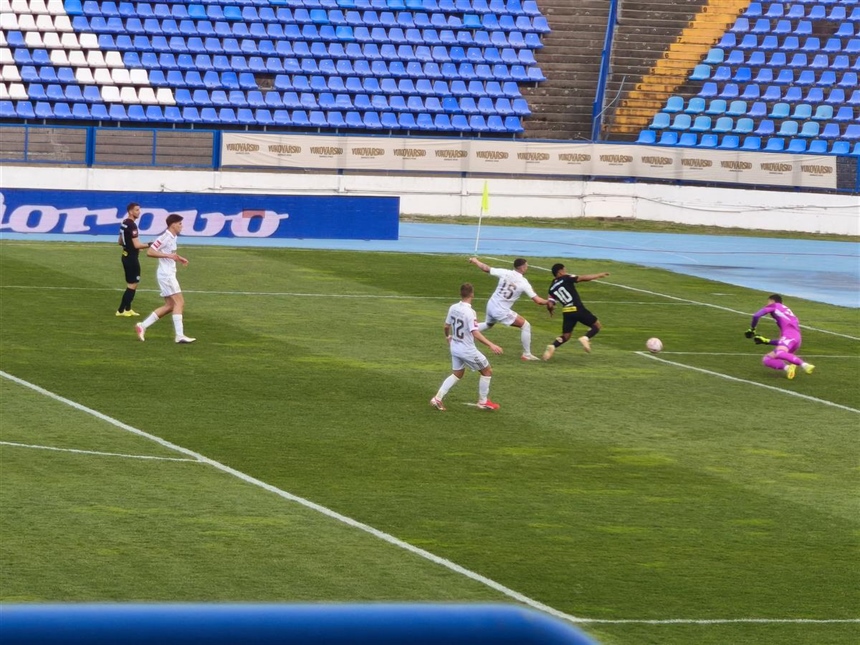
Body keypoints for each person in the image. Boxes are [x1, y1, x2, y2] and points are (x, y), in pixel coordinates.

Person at [430, 282, 504, 411]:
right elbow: (474, 332)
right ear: (472, 294)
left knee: (457, 373)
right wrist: (491, 345)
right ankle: (483, 401)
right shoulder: (470, 312)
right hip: (467, 350)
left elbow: (446, 326)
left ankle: (437, 398)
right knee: (487, 371)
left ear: (461, 294)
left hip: (455, 347)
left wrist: (448, 337)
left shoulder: (453, 307)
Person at [467, 256, 550, 361]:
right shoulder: (523, 283)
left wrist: (475, 261)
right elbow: (538, 300)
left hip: (491, 305)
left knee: (489, 324)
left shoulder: (505, 272)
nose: (527, 268)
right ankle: (526, 354)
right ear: (522, 267)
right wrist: (549, 302)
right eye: (526, 266)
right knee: (525, 325)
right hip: (501, 310)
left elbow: (486, 268)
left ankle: (464, 331)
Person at [134, 214, 195, 344]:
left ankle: (142, 326)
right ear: (173, 224)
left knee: (170, 305)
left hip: (167, 274)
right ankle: (180, 336)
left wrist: (178, 257)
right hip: (166, 275)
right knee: (180, 303)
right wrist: (168, 256)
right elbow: (150, 252)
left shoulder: (173, 237)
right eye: (179, 223)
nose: (181, 226)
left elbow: (170, 253)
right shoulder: (165, 237)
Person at [542, 263, 610, 360]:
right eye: (564, 270)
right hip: (577, 308)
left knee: (566, 336)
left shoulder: (551, 288)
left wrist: (550, 310)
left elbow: (550, 303)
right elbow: (583, 278)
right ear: (560, 272)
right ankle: (585, 338)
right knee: (596, 326)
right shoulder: (566, 278)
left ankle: (553, 346)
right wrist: (598, 275)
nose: (566, 271)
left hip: (567, 312)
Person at [745, 294, 814, 380]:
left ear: (772, 300)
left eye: (768, 302)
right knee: (767, 359)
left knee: (780, 353)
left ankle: (805, 365)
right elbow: (782, 342)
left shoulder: (774, 305)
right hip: (795, 338)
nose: (767, 304)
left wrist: (752, 329)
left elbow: (756, 316)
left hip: (790, 335)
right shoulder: (785, 313)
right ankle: (788, 368)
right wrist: (766, 341)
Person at [116, 202, 149, 317]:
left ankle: (128, 308)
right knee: (132, 285)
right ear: (130, 211)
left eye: (139, 210)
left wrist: (131, 247)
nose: (139, 212)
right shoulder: (132, 226)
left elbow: (120, 241)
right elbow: (137, 245)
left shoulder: (124, 223)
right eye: (136, 210)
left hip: (125, 256)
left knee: (132, 283)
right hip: (131, 258)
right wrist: (151, 244)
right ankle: (121, 310)